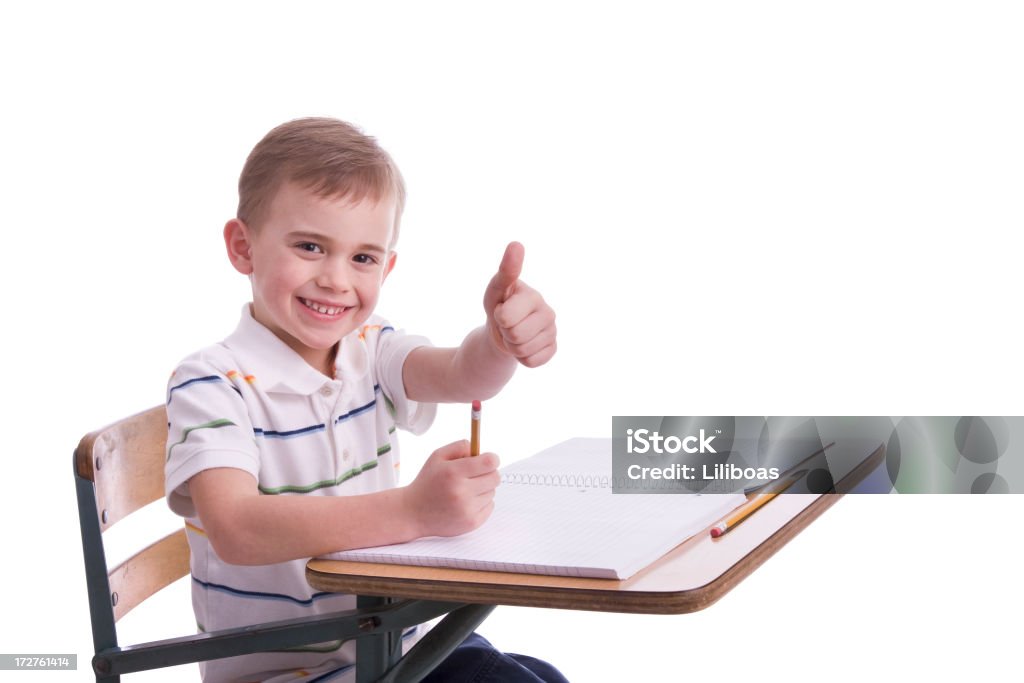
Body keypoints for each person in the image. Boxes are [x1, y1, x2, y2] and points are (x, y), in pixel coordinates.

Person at [164, 117, 565, 682]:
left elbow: (460, 374)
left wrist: (499, 341)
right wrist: (412, 512)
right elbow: (237, 528)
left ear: (388, 266)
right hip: (298, 672)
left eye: (363, 258)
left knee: (539, 676)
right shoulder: (212, 383)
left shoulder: (369, 347)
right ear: (242, 247)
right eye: (309, 246)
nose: (335, 279)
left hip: (387, 640)